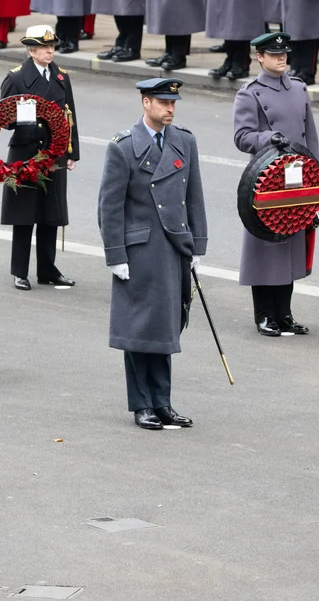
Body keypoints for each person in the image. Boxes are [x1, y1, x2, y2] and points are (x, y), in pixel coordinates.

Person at [99, 78, 207, 431]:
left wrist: (197, 245)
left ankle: (163, 402)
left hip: (173, 249)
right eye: (163, 102)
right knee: (138, 329)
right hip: (140, 251)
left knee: (165, 328)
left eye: (173, 103)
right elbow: (110, 207)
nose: (170, 109)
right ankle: (142, 404)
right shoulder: (123, 147)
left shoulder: (184, 141)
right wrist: (116, 254)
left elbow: (194, 197)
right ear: (146, 103)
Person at [234, 32, 319, 335]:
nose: (281, 58)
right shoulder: (250, 93)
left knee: (291, 245)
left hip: (297, 177)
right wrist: (268, 137)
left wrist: (315, 180)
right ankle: (264, 314)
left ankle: (284, 314)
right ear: (259, 57)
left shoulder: (298, 88)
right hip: (266, 178)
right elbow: (242, 136)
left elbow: (310, 137)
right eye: (273, 54)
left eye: (283, 53)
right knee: (265, 247)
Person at [0, 25, 79, 290]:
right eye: (44, 47)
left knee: (50, 214)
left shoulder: (61, 77)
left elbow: (70, 116)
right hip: (26, 153)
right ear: (31, 51)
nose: (50, 51)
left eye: (52, 47)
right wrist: (24, 116)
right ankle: (19, 271)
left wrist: (72, 152)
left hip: (54, 153)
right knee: (24, 216)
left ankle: (47, 269)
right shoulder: (16, 78)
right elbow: (4, 119)